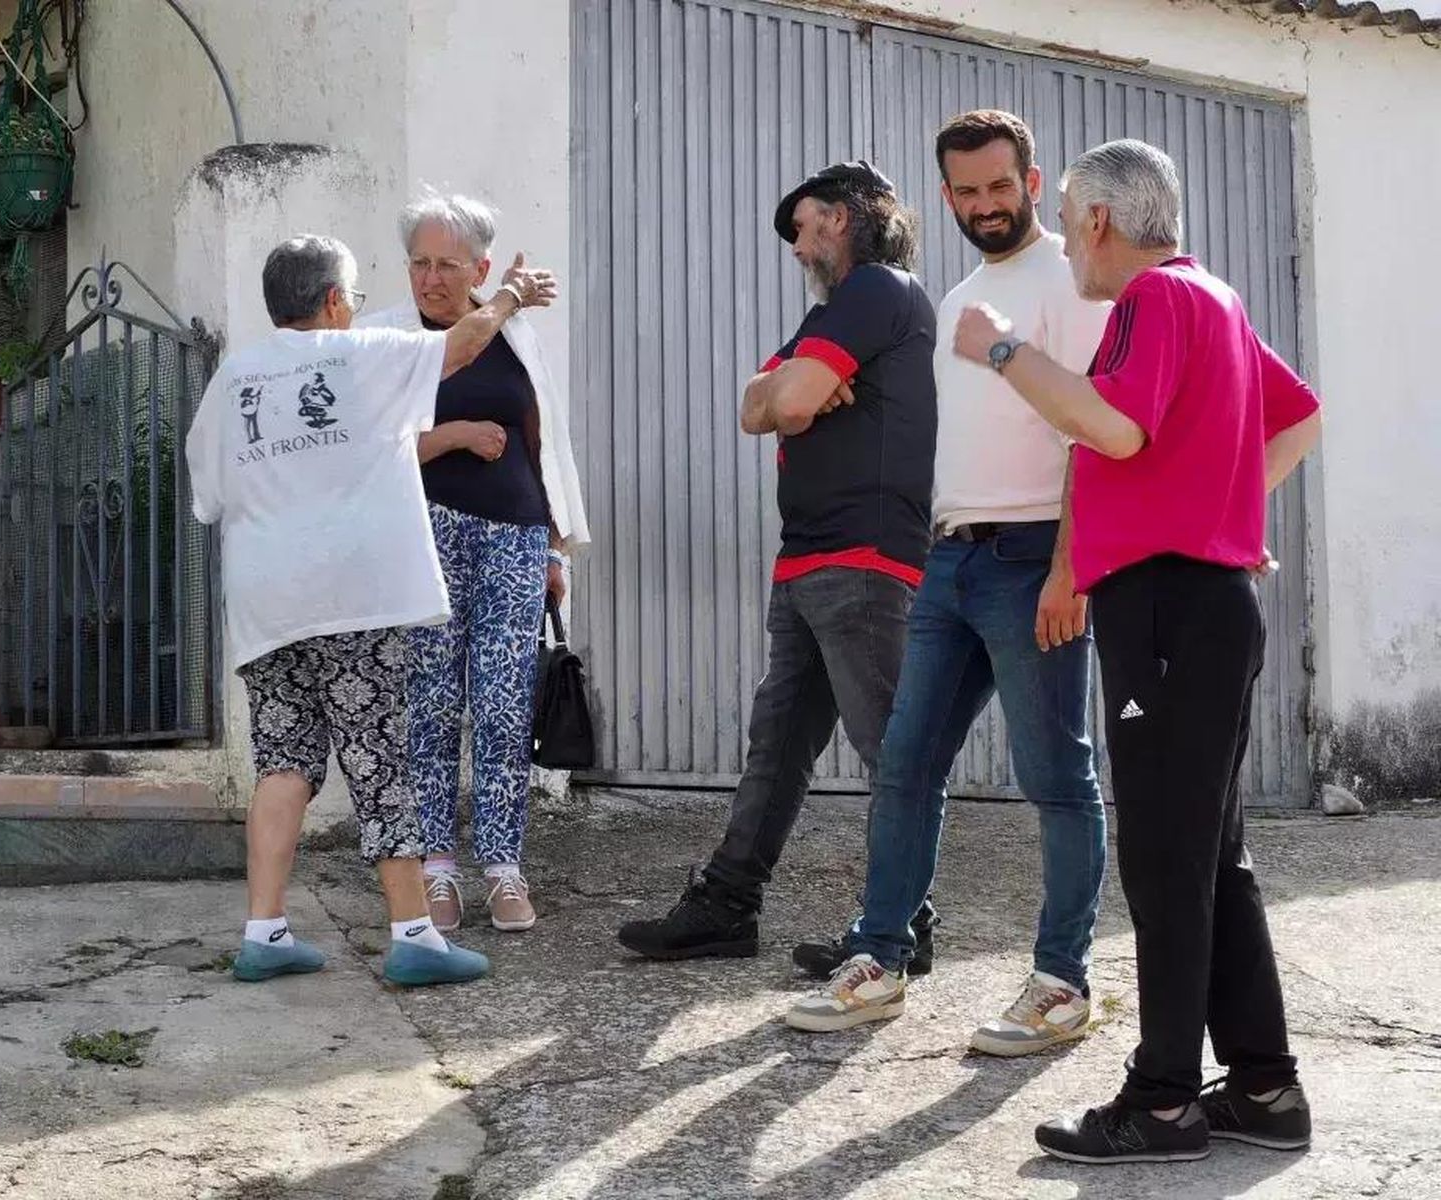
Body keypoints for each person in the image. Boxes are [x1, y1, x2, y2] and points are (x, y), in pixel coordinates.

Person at [951, 139, 1322, 1163]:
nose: (1065, 237)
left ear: (1099, 219)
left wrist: (1000, 349)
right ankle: (1264, 1087)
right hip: (1202, 605)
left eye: (1068, 215)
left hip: (1166, 608)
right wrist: (1225, 512)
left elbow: (1112, 429)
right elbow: (1300, 420)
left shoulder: (1153, 299)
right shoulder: (1216, 298)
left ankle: (1161, 1103)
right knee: (1210, 855)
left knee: (1165, 859)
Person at [785, 111, 1110, 1056]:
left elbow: (1092, 429)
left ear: (1034, 183)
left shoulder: (1072, 280)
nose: (985, 205)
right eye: (967, 192)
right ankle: (878, 959)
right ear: (946, 197)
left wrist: (1070, 568)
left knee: (1056, 776)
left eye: (1000, 187)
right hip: (951, 557)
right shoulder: (959, 295)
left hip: (1035, 555)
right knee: (905, 763)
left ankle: (1062, 982)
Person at [186, 233, 557, 986]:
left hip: (265, 606)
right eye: (352, 296)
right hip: (349, 599)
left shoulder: (233, 377)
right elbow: (462, 345)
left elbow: (209, 496)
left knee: (284, 762)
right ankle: (414, 936)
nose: (355, 308)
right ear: (332, 300)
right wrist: (512, 294)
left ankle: (264, 931)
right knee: (382, 757)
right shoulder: (359, 355)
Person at [617, 161, 939, 962]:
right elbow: (754, 405)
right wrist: (787, 388)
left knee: (892, 754)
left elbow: (786, 403)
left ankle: (901, 929)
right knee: (779, 747)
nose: (796, 248)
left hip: (863, 561)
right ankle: (727, 905)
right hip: (809, 561)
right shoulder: (833, 313)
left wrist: (790, 391)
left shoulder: (878, 290)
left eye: (801, 227)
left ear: (840, 217)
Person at [362, 192, 590, 935]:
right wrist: (455, 434)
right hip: (424, 534)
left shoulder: (515, 334)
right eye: (419, 263)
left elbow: (541, 442)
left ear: (480, 270)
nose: (430, 279)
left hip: (516, 535)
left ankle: (502, 865)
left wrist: (554, 546)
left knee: (503, 703)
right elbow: (369, 447)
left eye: (447, 266)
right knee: (430, 703)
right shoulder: (386, 338)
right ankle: (436, 869)